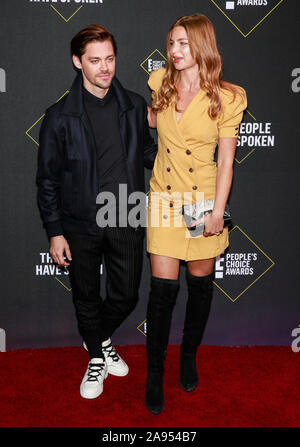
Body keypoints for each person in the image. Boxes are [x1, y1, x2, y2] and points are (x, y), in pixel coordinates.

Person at [36, 25, 157, 399]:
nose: (105, 68)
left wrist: (189, 147)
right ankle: (98, 358)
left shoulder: (135, 105)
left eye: (109, 59)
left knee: (126, 295)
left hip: (127, 212)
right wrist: (55, 231)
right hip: (80, 221)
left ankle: (97, 341)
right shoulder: (59, 116)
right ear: (77, 62)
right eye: (95, 61)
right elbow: (47, 179)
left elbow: (152, 155)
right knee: (85, 296)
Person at [145, 14, 247, 414]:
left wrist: (218, 212)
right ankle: (155, 373)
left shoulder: (229, 97)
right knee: (161, 294)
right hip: (164, 200)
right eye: (171, 43)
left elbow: (226, 163)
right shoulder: (159, 83)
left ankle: (188, 357)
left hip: (204, 202)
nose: (174, 51)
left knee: (199, 287)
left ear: (203, 45)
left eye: (183, 43)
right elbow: (153, 123)